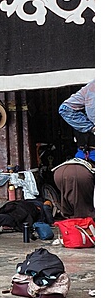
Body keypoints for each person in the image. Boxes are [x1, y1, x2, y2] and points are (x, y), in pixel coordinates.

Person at [53, 81, 95, 219]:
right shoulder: (93, 86)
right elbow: (65, 109)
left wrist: (90, 127)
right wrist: (91, 128)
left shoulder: (92, 86)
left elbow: (65, 109)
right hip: (87, 153)